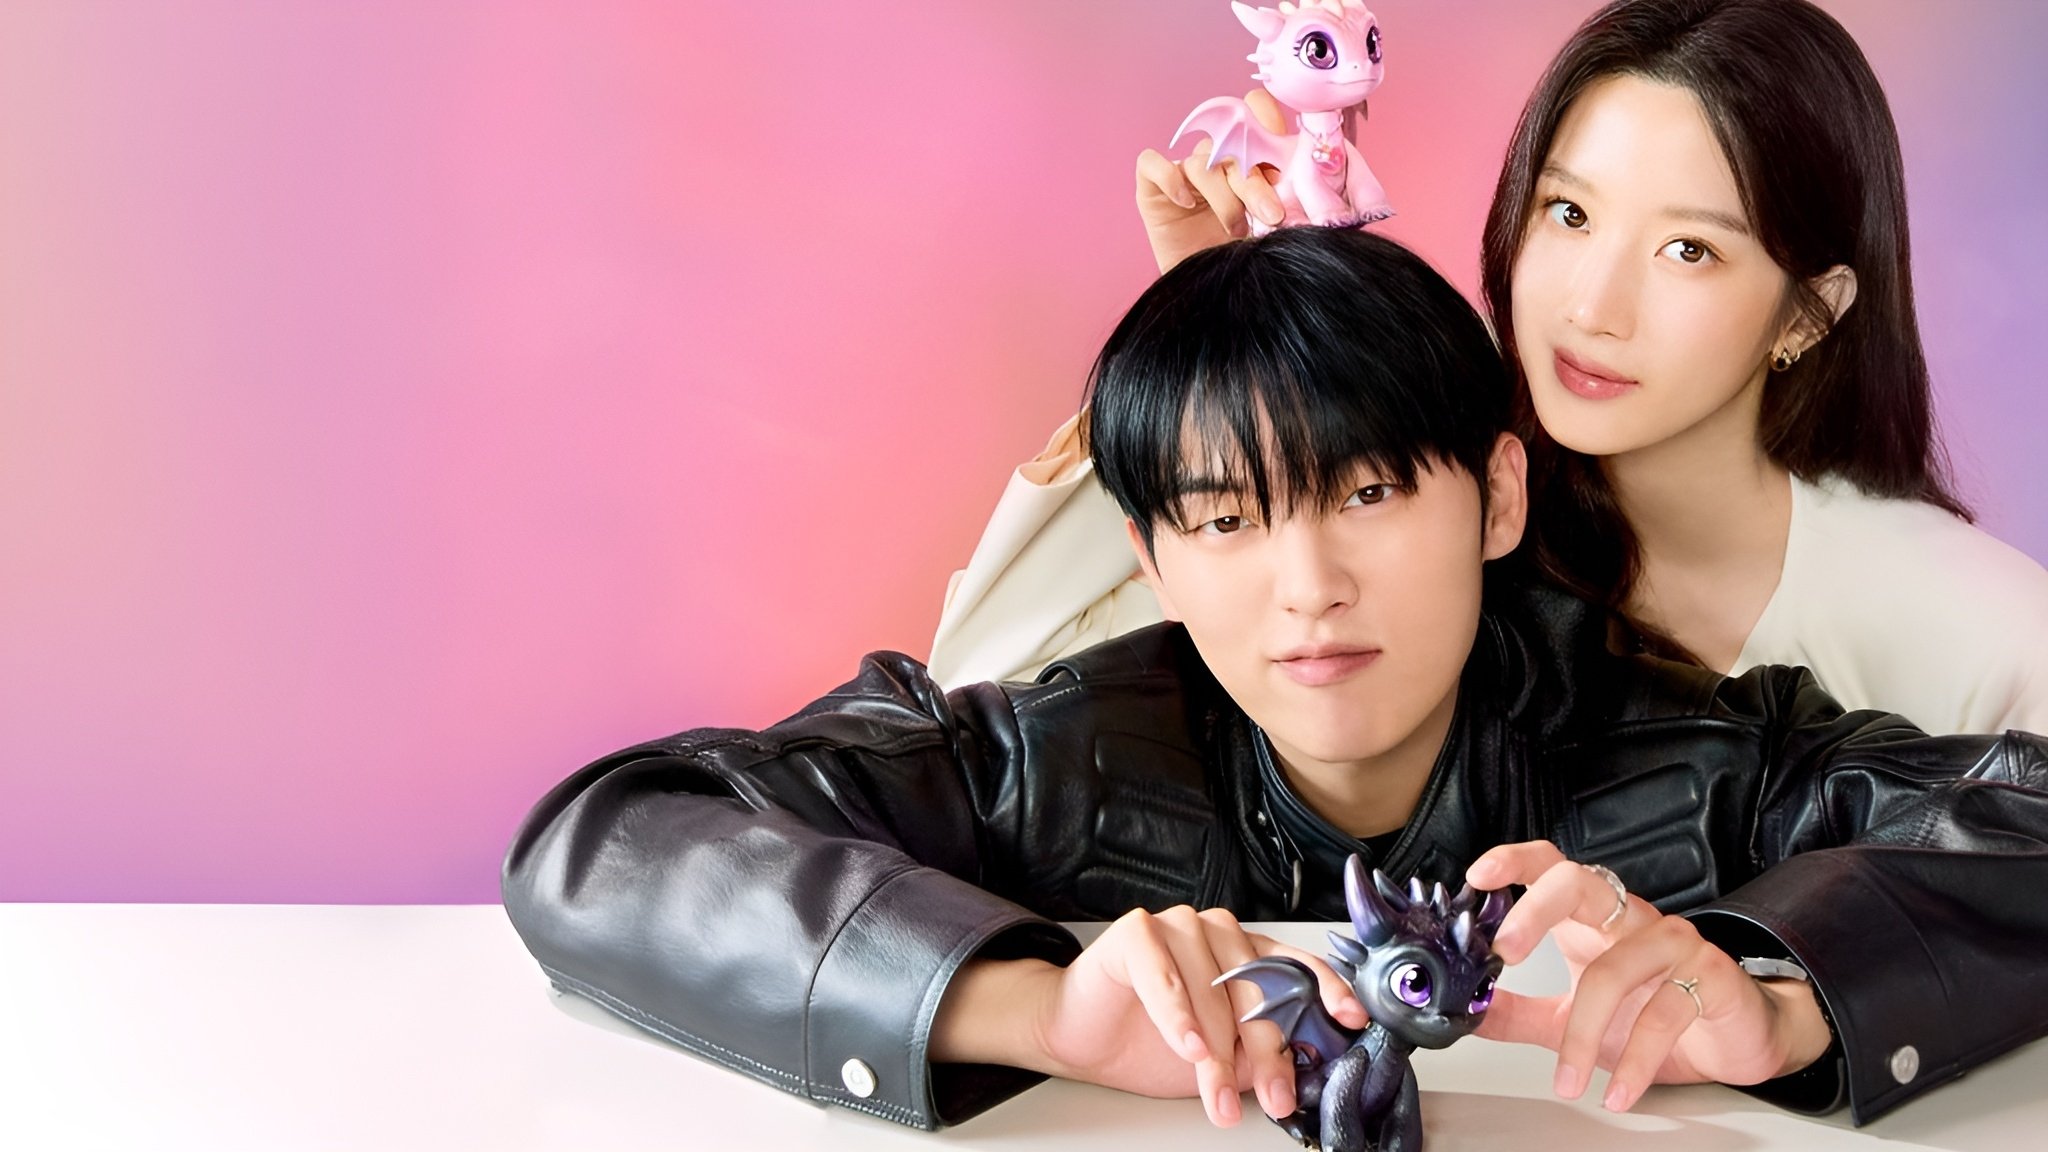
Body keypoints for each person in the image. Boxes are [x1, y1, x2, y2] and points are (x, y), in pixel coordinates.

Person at [503, 227, 2048, 1136]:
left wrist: (1791, 1008)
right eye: (1229, 522)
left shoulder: (1703, 747)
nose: (1309, 586)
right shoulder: (1050, 753)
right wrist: (1038, 1012)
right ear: (1154, 559)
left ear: (1498, 499)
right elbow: (613, 838)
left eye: (1370, 495)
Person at [928, 0, 2048, 736]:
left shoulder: (1976, 633)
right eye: (1567, 213)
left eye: (1687, 250)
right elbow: (986, 703)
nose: (1590, 308)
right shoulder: (1421, 510)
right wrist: (1214, 353)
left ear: (1808, 311)